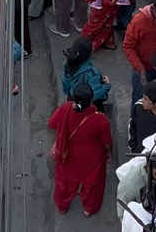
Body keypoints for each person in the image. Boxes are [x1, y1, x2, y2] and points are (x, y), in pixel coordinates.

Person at [48, 82, 113, 216]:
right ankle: (88, 209)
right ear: (91, 100)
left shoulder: (64, 109)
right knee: (92, 186)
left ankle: (62, 206)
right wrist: (108, 153)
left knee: (64, 184)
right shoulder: (100, 120)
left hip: (67, 157)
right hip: (91, 161)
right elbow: (106, 142)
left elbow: (52, 124)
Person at [61, 36, 111, 107]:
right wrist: (107, 86)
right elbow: (94, 95)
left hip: (72, 100)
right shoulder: (92, 73)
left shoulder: (67, 64)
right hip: (86, 105)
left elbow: (65, 89)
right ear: (89, 54)